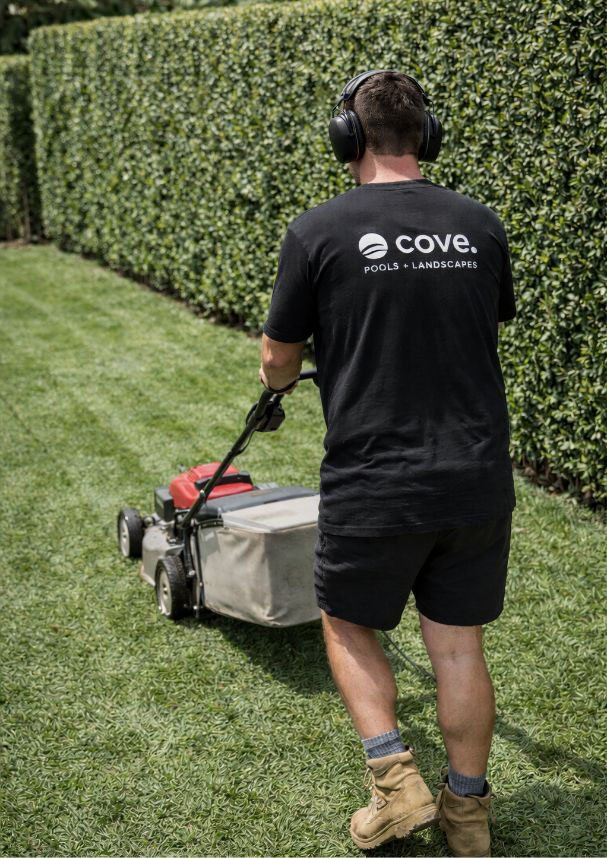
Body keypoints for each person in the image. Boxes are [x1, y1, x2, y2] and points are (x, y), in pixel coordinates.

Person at [259, 69, 516, 856]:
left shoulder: (316, 232)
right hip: (475, 477)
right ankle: (466, 816)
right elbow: (484, 322)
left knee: (344, 625)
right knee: (457, 646)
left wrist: (275, 383)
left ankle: (395, 784)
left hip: (375, 480)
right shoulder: (478, 224)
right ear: (424, 136)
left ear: (349, 137)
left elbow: (279, 355)